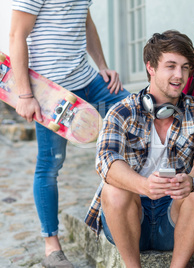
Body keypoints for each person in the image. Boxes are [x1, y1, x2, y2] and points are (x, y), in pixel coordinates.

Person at [84, 30, 194, 268]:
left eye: (185, 67)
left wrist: (192, 180)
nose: (179, 75)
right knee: (114, 189)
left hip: (174, 218)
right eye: (171, 66)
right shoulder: (121, 111)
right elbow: (105, 160)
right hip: (130, 219)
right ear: (151, 67)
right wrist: (143, 185)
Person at [9, 1, 130, 267]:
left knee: (135, 114)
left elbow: (84, 21)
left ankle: (136, 206)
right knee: (50, 164)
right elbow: (17, 35)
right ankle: (51, 245)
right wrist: (25, 94)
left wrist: (102, 65)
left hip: (89, 80)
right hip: (52, 94)